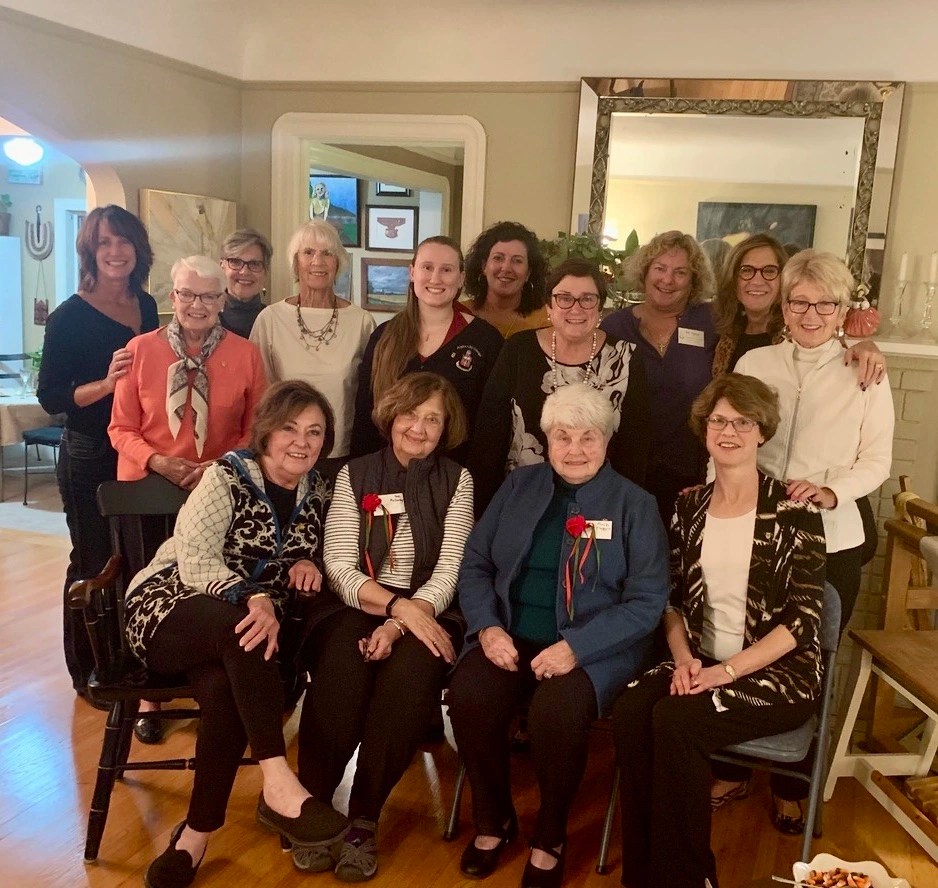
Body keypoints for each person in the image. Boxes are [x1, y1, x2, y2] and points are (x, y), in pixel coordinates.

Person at [123, 380, 348, 888]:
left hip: (243, 639)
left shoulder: (319, 493)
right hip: (169, 607)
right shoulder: (226, 476)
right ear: (267, 430)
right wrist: (254, 595)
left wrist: (309, 560)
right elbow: (195, 560)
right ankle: (277, 779)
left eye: (315, 432)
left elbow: (322, 554)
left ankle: (195, 837)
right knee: (238, 629)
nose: (302, 441)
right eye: (290, 427)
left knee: (227, 686)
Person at [611, 373, 827, 888]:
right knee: (632, 709)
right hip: (700, 657)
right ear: (704, 429)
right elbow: (672, 600)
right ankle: (642, 873)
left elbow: (802, 620)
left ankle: (687, 878)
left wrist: (723, 673)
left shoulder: (796, 510)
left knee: (677, 720)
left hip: (778, 674)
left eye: (742, 422)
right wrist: (686, 658)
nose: (728, 431)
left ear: (761, 432)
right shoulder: (688, 507)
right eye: (718, 421)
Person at [450, 383, 667, 888]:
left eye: (587, 437)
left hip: (594, 647)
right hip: (508, 632)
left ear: (607, 441)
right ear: (545, 440)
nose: (574, 449)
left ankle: (549, 836)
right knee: (470, 696)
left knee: (555, 712)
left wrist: (577, 648)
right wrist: (486, 628)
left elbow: (648, 601)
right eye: (562, 436)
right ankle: (493, 818)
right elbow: (476, 563)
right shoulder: (518, 487)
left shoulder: (635, 504)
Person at [731, 251, 894, 828]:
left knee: (806, 659)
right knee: (743, 643)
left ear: (842, 308)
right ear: (784, 304)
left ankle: (789, 783)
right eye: (799, 302)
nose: (811, 314)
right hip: (757, 532)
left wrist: (832, 492)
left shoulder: (865, 370)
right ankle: (731, 769)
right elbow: (728, 435)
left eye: (825, 304)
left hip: (833, 538)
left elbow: (877, 459)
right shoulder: (756, 360)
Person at [295, 372, 474, 880]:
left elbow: (449, 571)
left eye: (432, 419)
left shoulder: (458, 480)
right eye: (410, 415)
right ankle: (312, 805)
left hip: (429, 611)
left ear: (446, 428)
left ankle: (364, 818)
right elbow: (338, 564)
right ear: (391, 417)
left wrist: (404, 623)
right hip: (358, 604)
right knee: (340, 677)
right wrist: (394, 610)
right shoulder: (355, 473)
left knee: (409, 683)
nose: (418, 428)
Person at [36, 205, 159, 700]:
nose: (115, 252)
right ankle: (89, 670)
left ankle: (135, 664)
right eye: (104, 243)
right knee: (91, 562)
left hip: (135, 452)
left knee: (135, 558)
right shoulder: (68, 317)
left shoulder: (147, 305)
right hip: (89, 455)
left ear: (137, 250)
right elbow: (52, 397)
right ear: (89, 250)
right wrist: (107, 384)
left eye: (123, 241)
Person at [469, 257, 650, 514]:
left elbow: (636, 448)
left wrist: (626, 512)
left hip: (600, 505)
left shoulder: (626, 356)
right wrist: (483, 512)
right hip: (523, 500)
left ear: (600, 308)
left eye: (587, 299)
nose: (576, 309)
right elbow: (488, 440)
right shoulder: (518, 350)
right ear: (549, 306)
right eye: (564, 298)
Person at [109, 255, 267, 490]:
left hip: (221, 483)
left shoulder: (247, 355)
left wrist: (217, 467)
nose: (197, 305)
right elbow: (121, 428)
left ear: (222, 301)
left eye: (209, 297)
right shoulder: (138, 350)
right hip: (145, 484)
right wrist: (157, 461)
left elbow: (256, 429)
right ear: (173, 297)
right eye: (187, 294)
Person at [600, 231, 717, 522]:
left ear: (694, 280)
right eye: (660, 268)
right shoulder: (614, 326)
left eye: (680, 272)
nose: (668, 280)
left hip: (693, 468)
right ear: (645, 271)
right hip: (626, 468)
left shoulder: (711, 321)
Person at [350, 235, 502, 459]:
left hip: (456, 478)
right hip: (386, 477)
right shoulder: (383, 337)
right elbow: (365, 417)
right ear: (412, 273)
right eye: (427, 267)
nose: (435, 278)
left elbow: (491, 428)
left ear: (461, 278)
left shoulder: (486, 341)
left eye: (447, 270)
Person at [251, 219, 376, 458]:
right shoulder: (270, 319)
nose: (317, 262)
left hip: (341, 452)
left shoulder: (361, 322)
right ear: (295, 263)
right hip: (284, 452)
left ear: (338, 263)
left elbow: (370, 396)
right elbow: (259, 394)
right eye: (308, 252)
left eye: (327, 253)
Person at [711, 232, 886, 384]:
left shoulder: (801, 331)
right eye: (747, 270)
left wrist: (867, 347)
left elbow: (836, 356)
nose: (757, 280)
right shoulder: (726, 332)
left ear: (785, 280)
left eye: (769, 271)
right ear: (734, 279)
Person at [461, 220, 549, 338]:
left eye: (517, 260)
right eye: (498, 258)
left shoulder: (545, 320)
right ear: (484, 266)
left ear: (528, 273)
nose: (506, 268)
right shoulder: (461, 313)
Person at [218, 228, 272, 338]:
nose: (244, 272)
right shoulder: (205, 320)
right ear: (221, 267)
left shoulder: (274, 322)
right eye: (236, 262)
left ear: (265, 271)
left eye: (254, 264)